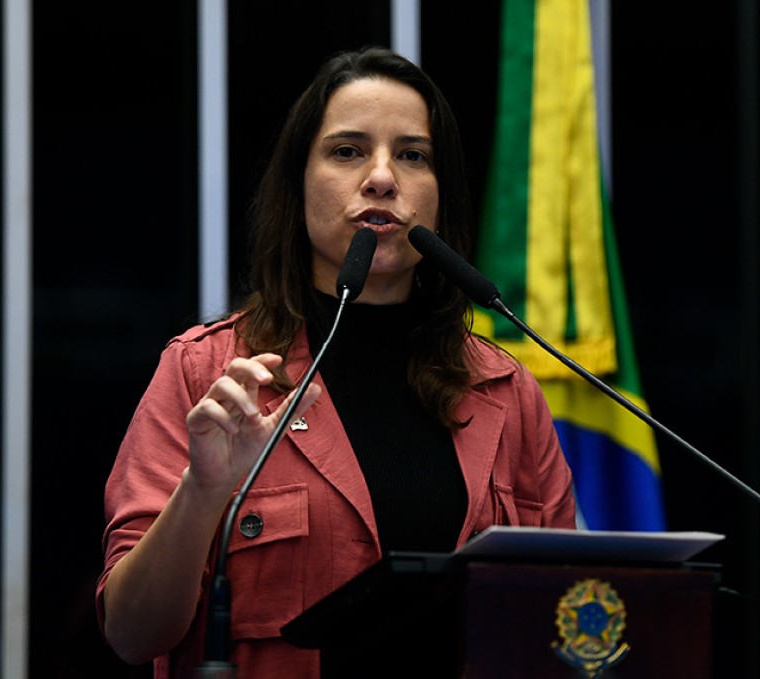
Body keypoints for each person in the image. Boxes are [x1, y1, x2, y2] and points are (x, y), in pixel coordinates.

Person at [96, 45, 576, 678]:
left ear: (442, 196)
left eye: (413, 155)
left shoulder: (507, 392)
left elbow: (567, 614)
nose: (382, 178)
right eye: (348, 151)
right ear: (298, 186)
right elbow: (133, 633)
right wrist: (203, 490)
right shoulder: (208, 374)